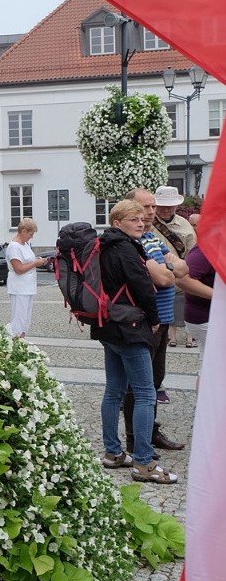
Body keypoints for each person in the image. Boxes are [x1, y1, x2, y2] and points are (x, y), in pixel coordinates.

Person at [92, 199, 176, 485]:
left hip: (110, 326)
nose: (141, 223)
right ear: (117, 223)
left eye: (142, 219)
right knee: (145, 393)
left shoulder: (103, 246)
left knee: (114, 390)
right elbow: (143, 287)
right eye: (134, 219)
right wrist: (154, 319)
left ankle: (113, 452)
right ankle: (143, 462)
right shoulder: (126, 248)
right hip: (130, 328)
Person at [121, 189, 186, 456]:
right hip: (147, 322)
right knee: (138, 386)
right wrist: (171, 269)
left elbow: (183, 270)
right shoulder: (133, 242)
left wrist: (171, 268)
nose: (150, 212)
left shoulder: (150, 238)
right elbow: (165, 279)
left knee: (155, 380)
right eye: (145, 207)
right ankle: (135, 440)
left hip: (162, 320)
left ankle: (150, 431)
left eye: (152, 207)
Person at [152, 185, 197, 347]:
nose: (166, 209)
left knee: (186, 305)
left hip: (181, 275)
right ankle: (170, 337)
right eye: (162, 205)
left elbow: (193, 251)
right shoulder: (147, 223)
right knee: (163, 309)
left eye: (169, 205)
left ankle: (189, 337)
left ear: (176, 206)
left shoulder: (185, 224)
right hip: (156, 276)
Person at [4, 218, 49, 337]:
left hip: (28, 286)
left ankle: (22, 338)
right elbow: (19, 269)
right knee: (19, 316)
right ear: (23, 231)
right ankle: (15, 339)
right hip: (19, 286)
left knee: (25, 317)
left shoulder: (25, 244)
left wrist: (38, 261)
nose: (32, 237)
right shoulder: (14, 247)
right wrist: (35, 263)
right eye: (31, 234)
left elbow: (28, 261)